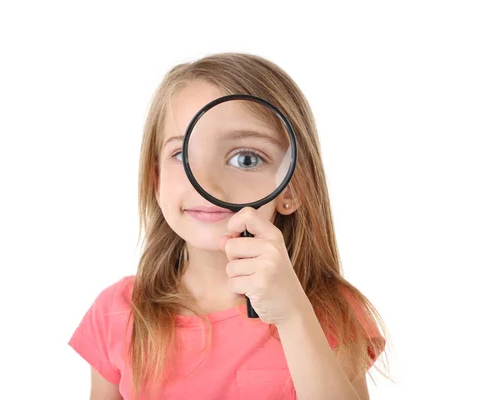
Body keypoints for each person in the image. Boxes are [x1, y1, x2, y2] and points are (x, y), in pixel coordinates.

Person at [68, 52, 389, 400]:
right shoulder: (118, 312)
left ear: (292, 189)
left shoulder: (326, 309)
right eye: (182, 156)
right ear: (155, 179)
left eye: (246, 158)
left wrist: (294, 315)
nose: (206, 182)